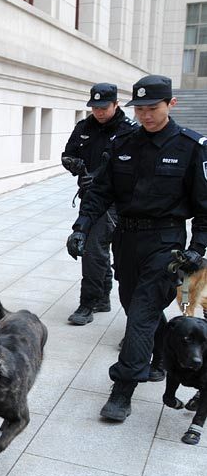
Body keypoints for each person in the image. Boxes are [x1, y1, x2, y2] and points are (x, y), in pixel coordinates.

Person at [67, 74, 207, 422]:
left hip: (166, 243)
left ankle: (123, 388)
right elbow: (101, 190)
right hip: (126, 239)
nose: (145, 115)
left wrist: (198, 247)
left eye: (152, 108)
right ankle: (161, 357)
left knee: (142, 313)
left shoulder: (191, 147)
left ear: (170, 104)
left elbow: (205, 208)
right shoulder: (125, 142)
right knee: (133, 305)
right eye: (140, 108)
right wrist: (81, 228)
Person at [61, 83, 138, 326]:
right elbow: (68, 154)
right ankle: (102, 297)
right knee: (97, 249)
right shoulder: (84, 127)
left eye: (104, 107)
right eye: (94, 107)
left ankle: (88, 302)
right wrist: (74, 164)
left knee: (93, 249)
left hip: (115, 202)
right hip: (90, 197)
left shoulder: (130, 132)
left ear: (116, 104)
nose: (99, 112)